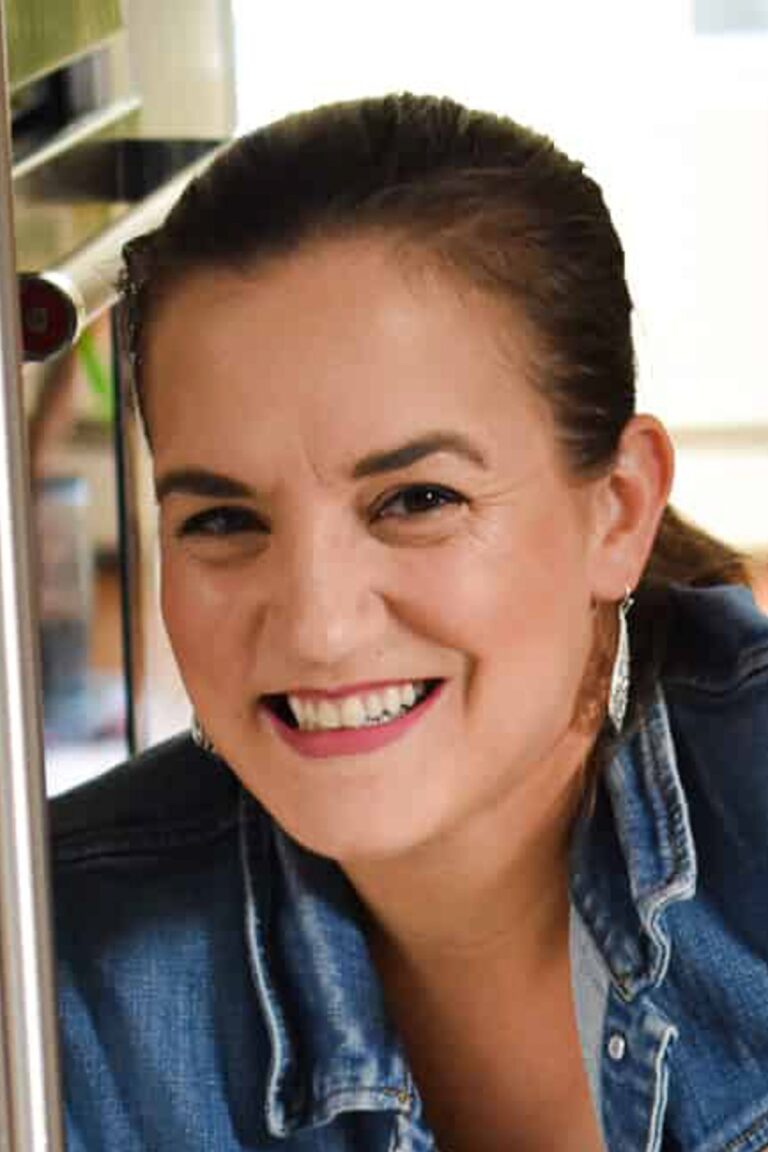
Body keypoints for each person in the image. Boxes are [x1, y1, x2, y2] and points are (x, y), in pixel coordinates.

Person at [51, 94, 768, 1152]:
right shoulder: (66, 973)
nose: (320, 627)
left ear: (617, 509)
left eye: (418, 500)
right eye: (222, 519)